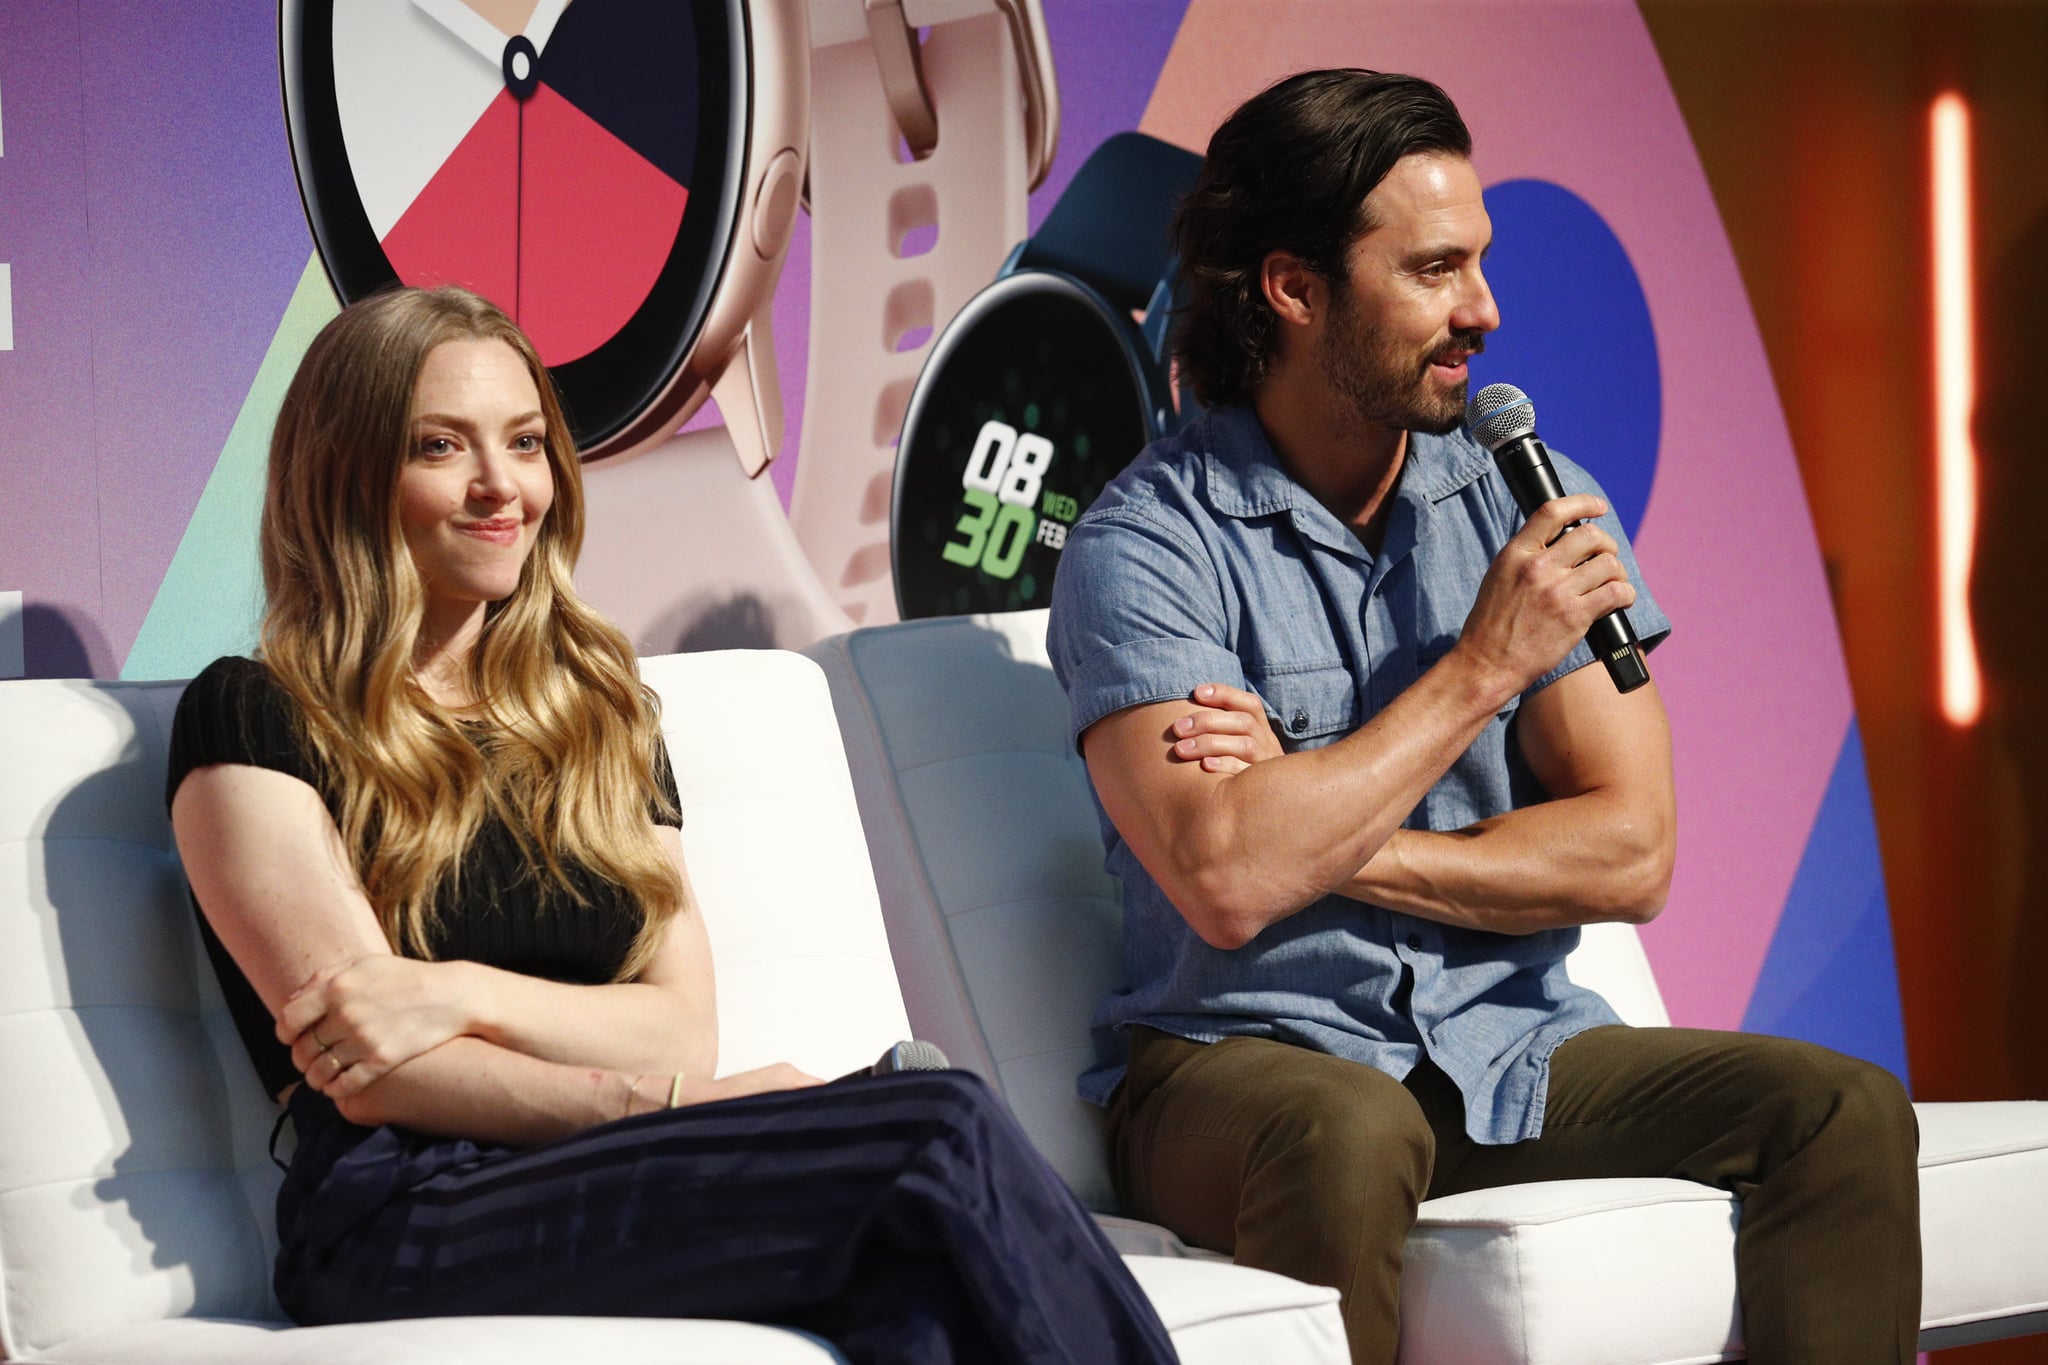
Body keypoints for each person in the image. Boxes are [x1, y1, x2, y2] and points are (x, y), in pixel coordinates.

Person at [1046, 69, 1919, 1365]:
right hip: (1237, 1062)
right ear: (1294, 288)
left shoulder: (1531, 502)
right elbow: (1228, 882)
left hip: (1507, 1047)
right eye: (1436, 270)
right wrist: (1479, 669)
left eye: (1482, 262)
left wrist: (1322, 813)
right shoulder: (1143, 548)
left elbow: (1632, 853)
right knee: (1350, 1129)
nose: (1485, 311)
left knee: (1839, 1107)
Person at [167, 285, 1178, 1365]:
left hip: (601, 1164)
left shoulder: (599, 712)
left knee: (918, 1300)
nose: (500, 488)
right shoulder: (258, 715)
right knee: (931, 1126)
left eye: (523, 444)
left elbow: (676, 1026)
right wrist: (679, 1106)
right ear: (348, 474)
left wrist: (449, 991)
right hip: (398, 1209)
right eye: (439, 447)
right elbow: (373, 1068)